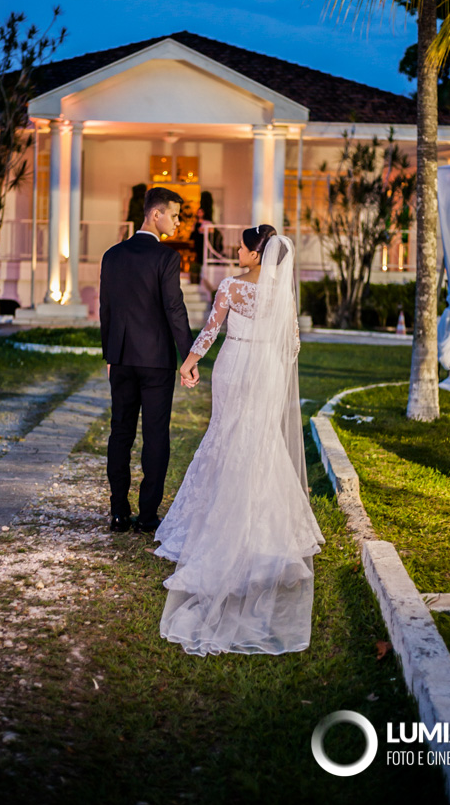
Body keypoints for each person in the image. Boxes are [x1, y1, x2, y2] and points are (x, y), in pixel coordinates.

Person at [154, 225, 325, 656]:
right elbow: (292, 347)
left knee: (226, 436)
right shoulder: (282, 293)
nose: (238, 251)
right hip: (267, 370)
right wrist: (269, 365)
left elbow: (210, 332)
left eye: (243, 247)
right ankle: (268, 532)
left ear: (255, 253)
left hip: (233, 364)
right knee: (261, 440)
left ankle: (218, 527)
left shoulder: (231, 287)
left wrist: (188, 363)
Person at [99, 187, 199, 534]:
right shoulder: (166, 258)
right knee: (155, 435)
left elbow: (106, 310)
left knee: (120, 433)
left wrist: (109, 355)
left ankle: (117, 513)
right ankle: (146, 516)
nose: (178, 222)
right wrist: (188, 356)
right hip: (156, 361)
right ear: (156, 214)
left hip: (121, 359)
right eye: (174, 215)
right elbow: (174, 309)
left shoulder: (112, 255)